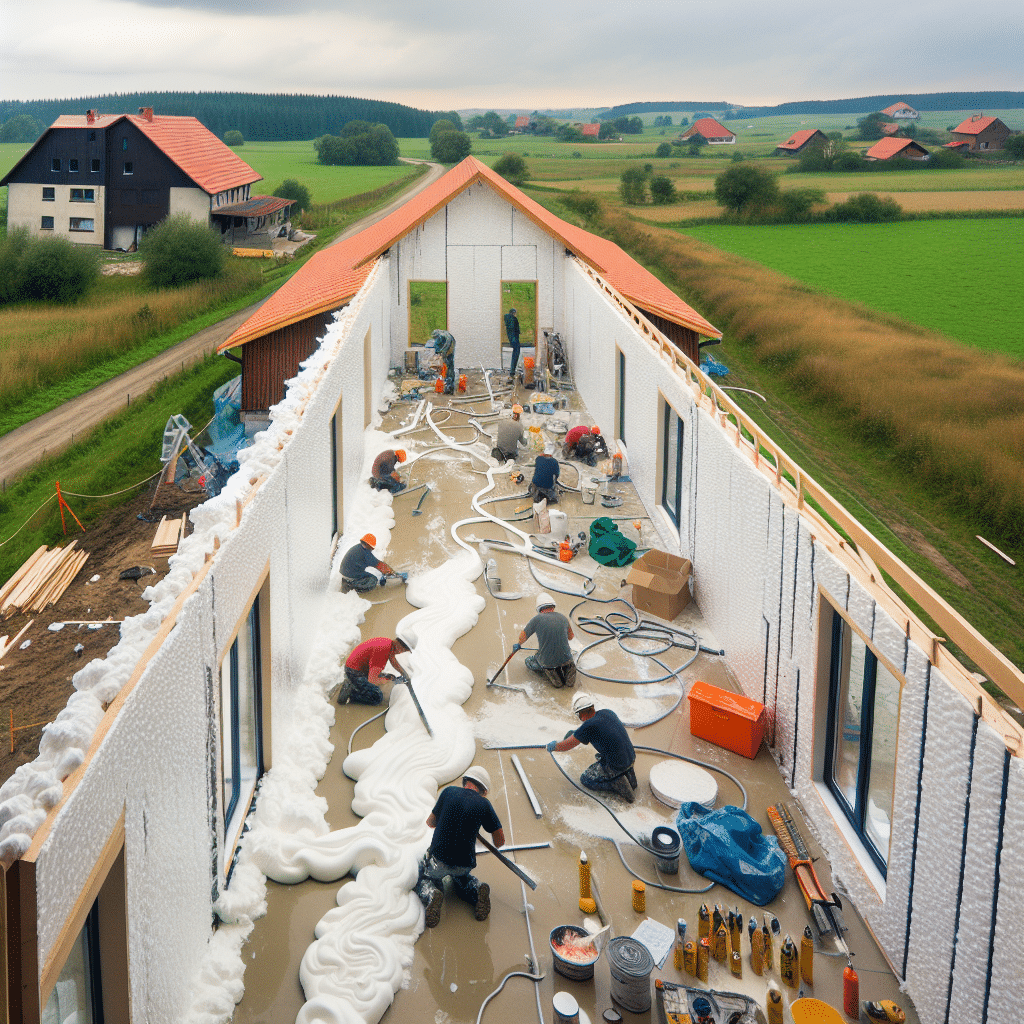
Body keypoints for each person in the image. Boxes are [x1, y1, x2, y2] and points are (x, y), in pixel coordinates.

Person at [416, 766, 505, 927]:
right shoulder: (484, 804)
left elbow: (430, 823)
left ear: (466, 781)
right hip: (464, 863)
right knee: (461, 880)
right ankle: (477, 890)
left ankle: (432, 894)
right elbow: (500, 842)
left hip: (439, 859)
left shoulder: (449, 792)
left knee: (424, 876)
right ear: (483, 790)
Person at [547, 692, 637, 803]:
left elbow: (566, 746)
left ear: (580, 714)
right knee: (604, 754)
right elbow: (606, 730)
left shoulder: (588, 727)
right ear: (592, 707)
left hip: (617, 765)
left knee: (586, 779)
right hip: (631, 757)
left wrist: (554, 746)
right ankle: (628, 775)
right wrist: (578, 733)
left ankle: (616, 783)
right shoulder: (607, 712)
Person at [515, 592, 576, 689]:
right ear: (553, 606)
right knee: (569, 684)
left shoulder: (537, 619)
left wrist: (518, 644)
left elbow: (523, 635)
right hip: (567, 659)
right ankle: (567, 679)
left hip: (548, 662)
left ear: (540, 608)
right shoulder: (563, 618)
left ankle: (556, 680)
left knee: (529, 661)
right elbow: (571, 637)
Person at [339, 636, 410, 705]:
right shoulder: (382, 650)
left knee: (390, 677)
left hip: (360, 668)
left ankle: (356, 684)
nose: (401, 653)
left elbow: (392, 659)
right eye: (403, 650)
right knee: (377, 697)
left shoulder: (390, 644)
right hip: (354, 672)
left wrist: (403, 673)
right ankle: (351, 692)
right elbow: (372, 680)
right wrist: (385, 681)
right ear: (399, 646)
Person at [431, 329, 457, 395]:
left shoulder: (444, 337)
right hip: (448, 350)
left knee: (449, 369)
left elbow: (447, 346)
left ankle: (449, 388)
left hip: (449, 350)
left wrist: (443, 353)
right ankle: (448, 387)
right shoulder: (442, 336)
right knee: (448, 368)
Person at [503, 307, 521, 378]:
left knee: (515, 351)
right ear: (513, 313)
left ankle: (512, 371)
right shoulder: (514, 319)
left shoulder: (507, 319)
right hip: (514, 338)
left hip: (511, 338)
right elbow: (516, 330)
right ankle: (512, 371)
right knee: (516, 351)